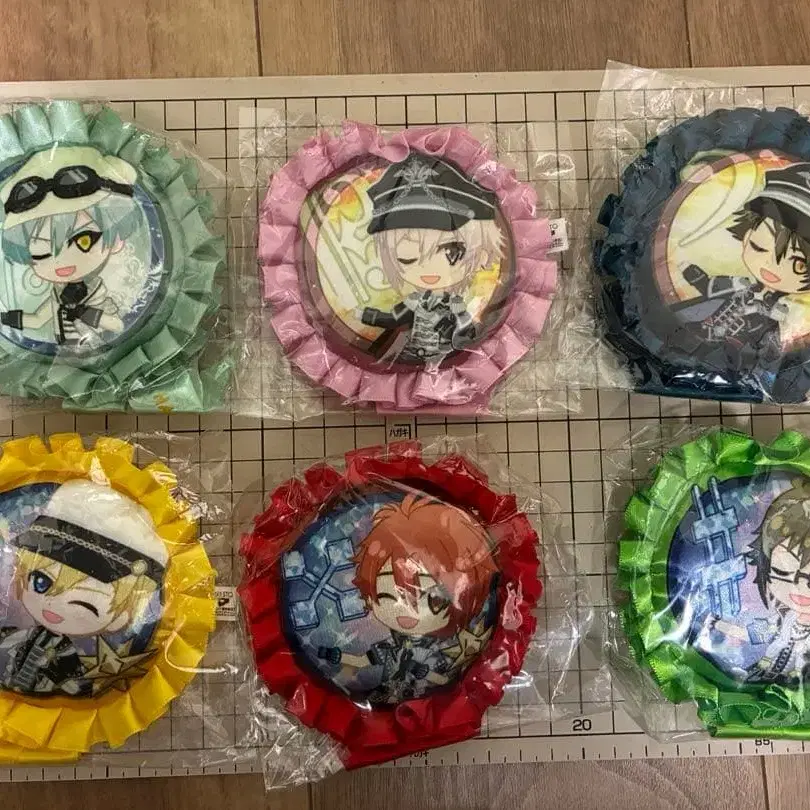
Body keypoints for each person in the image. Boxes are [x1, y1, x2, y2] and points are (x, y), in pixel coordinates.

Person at [317, 493, 497, 703]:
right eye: (385, 596)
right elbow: (364, 660)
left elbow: (443, 680)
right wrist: (337, 656)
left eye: (433, 599)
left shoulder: (443, 649)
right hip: (383, 695)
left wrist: (425, 673)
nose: (406, 609)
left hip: (423, 701)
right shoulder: (389, 646)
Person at [0, 479, 167, 697]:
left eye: (84, 605)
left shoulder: (72, 658)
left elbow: (74, 685)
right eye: (41, 582)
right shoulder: (17, 636)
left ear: (119, 619)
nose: (53, 602)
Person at [356, 154, 503, 365]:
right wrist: (365, 315)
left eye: (451, 254)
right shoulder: (415, 301)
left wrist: (459, 324)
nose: (429, 268)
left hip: (447, 359)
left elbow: (467, 334)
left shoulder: (458, 306)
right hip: (410, 354)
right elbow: (394, 319)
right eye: (407, 258)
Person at [0, 147, 144, 347]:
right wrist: (5, 318)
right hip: (63, 352)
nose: (61, 261)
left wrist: (84, 313)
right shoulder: (58, 293)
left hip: (102, 348)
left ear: (117, 240)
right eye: (40, 254)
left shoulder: (96, 291)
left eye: (84, 241)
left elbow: (118, 325)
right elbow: (39, 319)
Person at [674, 163, 810, 360]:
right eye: (759, 246)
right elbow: (708, 286)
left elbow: (777, 342)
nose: (771, 266)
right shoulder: (742, 285)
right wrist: (689, 271)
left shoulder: (779, 312)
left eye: (798, 265)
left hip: (741, 352)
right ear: (746, 237)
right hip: (701, 334)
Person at [711, 482, 810, 683]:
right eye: (782, 572)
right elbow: (753, 634)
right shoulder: (781, 620)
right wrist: (718, 624)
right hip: (763, 674)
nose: (799, 587)